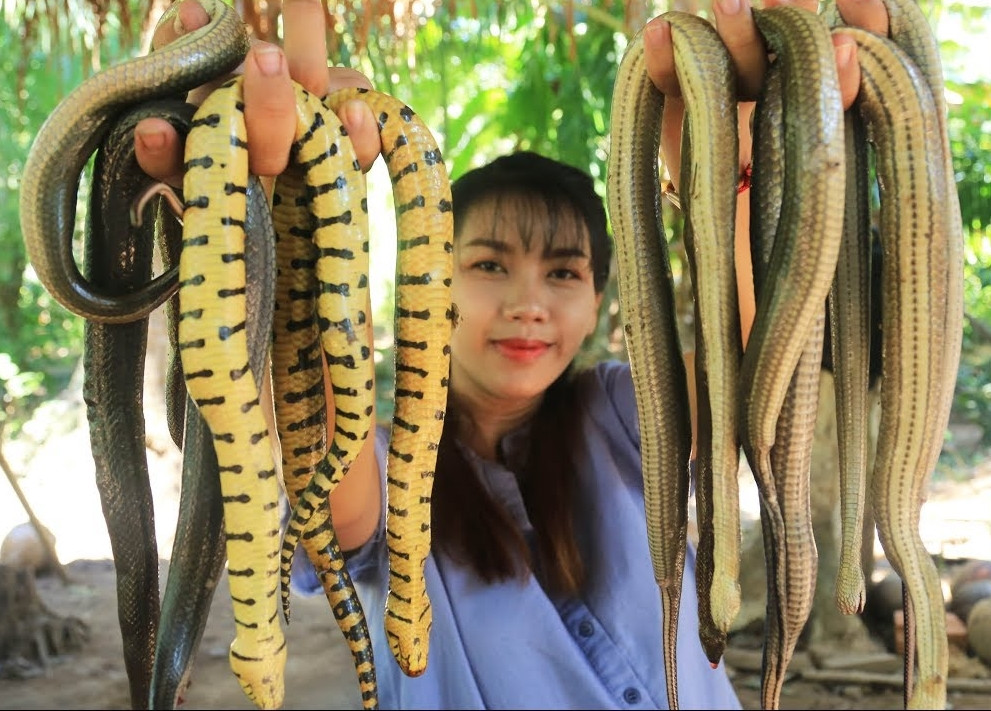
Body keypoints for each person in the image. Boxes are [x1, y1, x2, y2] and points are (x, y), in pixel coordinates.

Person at [137, 1, 893, 708]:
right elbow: (312, 432)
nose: (527, 303)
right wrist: (258, 216)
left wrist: (733, 171)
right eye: (489, 264)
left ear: (598, 300)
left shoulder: (625, 412)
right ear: (425, 282)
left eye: (562, 272)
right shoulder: (374, 463)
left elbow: (761, 354)